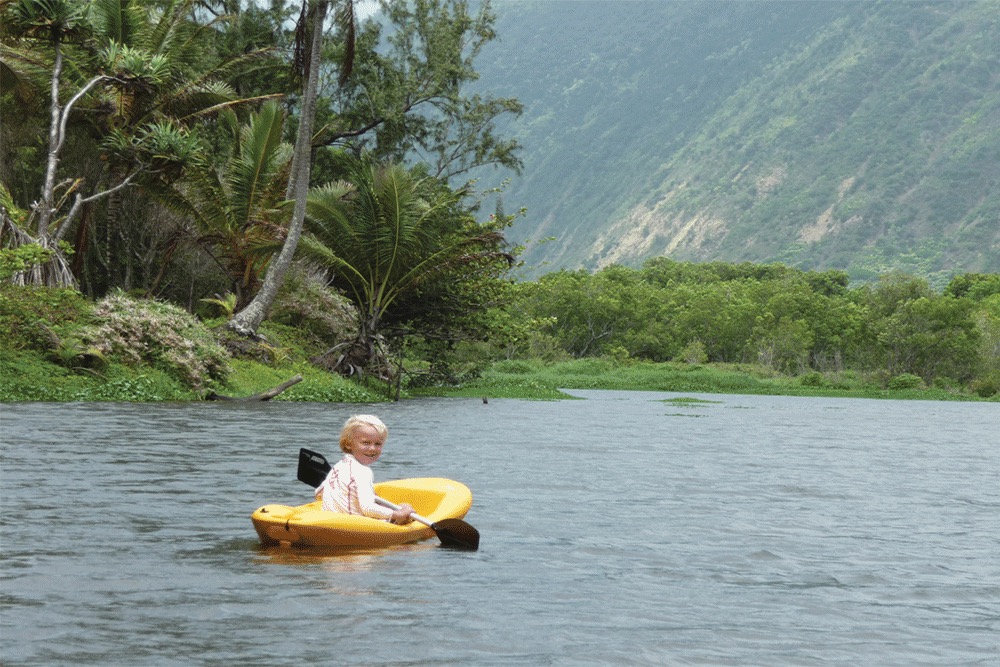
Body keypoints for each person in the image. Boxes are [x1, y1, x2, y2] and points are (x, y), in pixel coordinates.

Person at [315, 414, 414, 524]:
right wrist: (397, 514)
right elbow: (367, 508)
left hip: (330, 521)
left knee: (384, 504)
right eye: (365, 443)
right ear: (348, 444)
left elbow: (319, 493)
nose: (372, 448)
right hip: (353, 526)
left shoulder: (338, 466)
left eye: (378, 444)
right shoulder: (363, 472)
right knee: (405, 508)